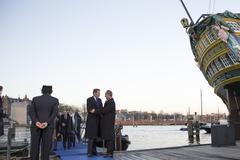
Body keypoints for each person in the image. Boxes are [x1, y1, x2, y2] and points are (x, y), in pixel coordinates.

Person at [28, 85, 59, 160]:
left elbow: (31, 112)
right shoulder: (55, 100)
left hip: (35, 126)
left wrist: (36, 122)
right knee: (46, 149)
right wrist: (47, 122)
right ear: (51, 91)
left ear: (42, 90)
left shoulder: (35, 99)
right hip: (48, 127)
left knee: (34, 147)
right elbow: (54, 113)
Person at [90, 90, 116, 157]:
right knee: (107, 138)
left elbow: (104, 110)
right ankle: (108, 152)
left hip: (109, 124)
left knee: (109, 139)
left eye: (105, 95)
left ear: (109, 95)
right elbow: (104, 110)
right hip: (107, 124)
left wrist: (95, 111)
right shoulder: (108, 102)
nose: (104, 96)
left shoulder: (112, 103)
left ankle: (110, 153)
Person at [85, 88, 103, 157]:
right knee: (91, 137)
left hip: (98, 121)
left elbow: (101, 109)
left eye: (99, 93)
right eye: (98, 93)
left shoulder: (100, 100)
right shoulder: (89, 99)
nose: (99, 94)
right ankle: (89, 152)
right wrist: (97, 111)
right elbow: (89, 110)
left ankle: (94, 151)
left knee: (95, 137)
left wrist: (95, 111)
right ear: (94, 93)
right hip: (91, 122)